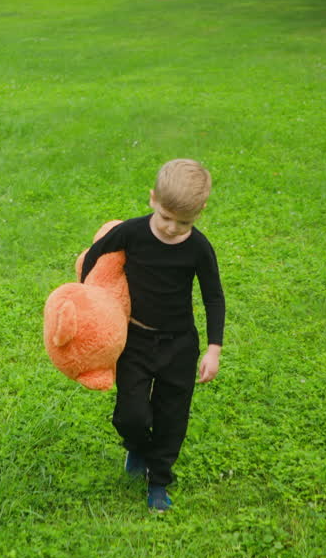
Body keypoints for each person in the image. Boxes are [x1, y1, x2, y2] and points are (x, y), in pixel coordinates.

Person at [79, 159, 225, 513]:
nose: (174, 228)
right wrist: (87, 301)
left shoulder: (198, 248)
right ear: (152, 199)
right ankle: (137, 446)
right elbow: (94, 256)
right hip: (136, 342)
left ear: (200, 211)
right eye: (166, 217)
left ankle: (158, 480)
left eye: (185, 222)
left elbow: (213, 296)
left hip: (179, 345)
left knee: (172, 416)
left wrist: (213, 349)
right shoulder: (131, 232)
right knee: (130, 415)